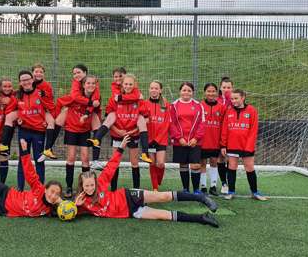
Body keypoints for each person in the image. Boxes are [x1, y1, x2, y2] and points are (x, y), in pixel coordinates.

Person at [74, 135, 219, 227]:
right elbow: (67, 212)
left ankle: (200, 197)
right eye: (87, 186)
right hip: (132, 212)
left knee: (163, 196)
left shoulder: (101, 183)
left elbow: (111, 166)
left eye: (91, 184)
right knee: (164, 216)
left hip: (129, 196)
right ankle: (202, 218)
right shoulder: (82, 202)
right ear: (82, 186)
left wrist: (120, 149)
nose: (90, 188)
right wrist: (76, 206)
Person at [0, 70, 53, 190]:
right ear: (20, 82)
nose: (26, 82)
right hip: (24, 131)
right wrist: (17, 118)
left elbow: (50, 107)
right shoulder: (17, 95)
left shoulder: (41, 93)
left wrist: (48, 118)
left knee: (39, 160)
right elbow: (8, 105)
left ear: (32, 80)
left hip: (39, 132)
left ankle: (39, 189)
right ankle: (20, 188)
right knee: (23, 159)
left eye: (28, 79)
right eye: (23, 80)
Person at [88, 71, 152, 165]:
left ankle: (145, 153)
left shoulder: (139, 98)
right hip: (118, 132)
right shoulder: (115, 97)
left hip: (132, 133)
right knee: (115, 161)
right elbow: (107, 117)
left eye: (130, 84)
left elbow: (147, 118)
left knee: (134, 163)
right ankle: (97, 139)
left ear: (134, 85)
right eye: (126, 84)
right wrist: (118, 131)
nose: (128, 86)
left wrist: (133, 130)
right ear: (122, 84)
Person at [44, 64, 102, 162]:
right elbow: (75, 97)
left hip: (89, 110)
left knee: (96, 122)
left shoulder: (92, 82)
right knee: (60, 118)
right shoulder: (76, 82)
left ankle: (95, 160)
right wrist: (90, 102)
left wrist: (88, 111)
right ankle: (48, 148)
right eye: (74, 73)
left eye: (79, 72)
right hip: (73, 104)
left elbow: (96, 99)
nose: (76, 75)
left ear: (85, 73)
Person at [220, 89, 268, 201]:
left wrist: (249, 146)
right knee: (231, 167)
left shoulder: (251, 110)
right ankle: (231, 191)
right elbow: (224, 129)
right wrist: (223, 145)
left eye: (236, 98)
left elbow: (253, 130)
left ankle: (255, 192)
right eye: (232, 99)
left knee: (249, 167)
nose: (233, 101)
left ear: (243, 97)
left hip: (247, 145)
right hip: (232, 145)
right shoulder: (229, 111)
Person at [62, 75, 98, 198]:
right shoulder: (75, 96)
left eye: (93, 83)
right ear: (83, 85)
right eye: (88, 83)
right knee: (71, 157)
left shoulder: (96, 98)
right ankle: (68, 187)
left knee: (85, 158)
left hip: (85, 131)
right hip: (71, 129)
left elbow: (93, 108)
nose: (91, 85)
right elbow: (64, 101)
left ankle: (86, 187)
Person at [169, 82, 205, 194]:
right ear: (180, 91)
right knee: (183, 164)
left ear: (192, 92)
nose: (186, 92)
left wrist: (196, 138)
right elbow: (171, 124)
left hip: (195, 141)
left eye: (189, 90)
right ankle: (185, 189)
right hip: (180, 141)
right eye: (184, 90)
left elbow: (202, 123)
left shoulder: (199, 105)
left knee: (195, 165)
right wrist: (179, 138)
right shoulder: (174, 105)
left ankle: (196, 189)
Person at [143, 80, 170, 191]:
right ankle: (155, 187)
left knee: (160, 163)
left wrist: (158, 139)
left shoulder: (165, 104)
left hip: (161, 140)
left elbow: (167, 123)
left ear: (160, 90)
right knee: (152, 163)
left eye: (156, 88)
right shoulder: (144, 104)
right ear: (149, 90)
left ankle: (158, 180)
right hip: (149, 139)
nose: (154, 90)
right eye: (152, 88)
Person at [200, 83, 226, 196]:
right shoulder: (199, 105)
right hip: (202, 141)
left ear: (216, 92)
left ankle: (213, 186)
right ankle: (203, 187)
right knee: (202, 163)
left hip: (215, 140)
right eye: (208, 91)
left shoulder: (221, 107)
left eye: (213, 91)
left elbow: (224, 124)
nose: (211, 93)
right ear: (205, 92)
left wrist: (223, 142)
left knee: (214, 162)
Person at [32, 63, 58, 162]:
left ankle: (47, 149)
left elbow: (49, 99)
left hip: (45, 109)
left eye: (41, 72)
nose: (38, 74)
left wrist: (43, 94)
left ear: (44, 74)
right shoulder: (28, 83)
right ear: (32, 73)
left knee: (51, 122)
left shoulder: (46, 85)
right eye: (36, 71)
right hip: (32, 111)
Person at [217, 76, 234, 194]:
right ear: (220, 87)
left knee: (231, 158)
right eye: (224, 87)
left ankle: (230, 182)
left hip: (231, 132)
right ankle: (224, 183)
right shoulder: (216, 99)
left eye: (229, 87)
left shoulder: (234, 100)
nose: (226, 89)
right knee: (220, 157)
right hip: (217, 133)